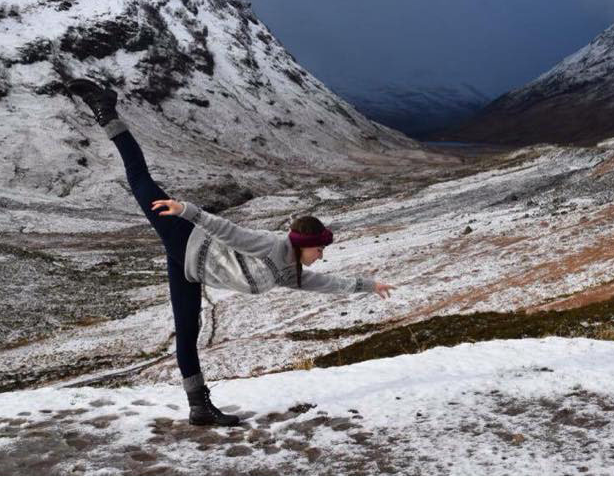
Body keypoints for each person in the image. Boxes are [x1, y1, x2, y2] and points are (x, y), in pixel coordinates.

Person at [66, 79, 395, 426]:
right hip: (186, 238)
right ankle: (106, 111)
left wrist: (368, 286)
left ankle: (198, 407)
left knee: (188, 333)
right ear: (303, 244)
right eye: (319, 249)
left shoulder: (288, 273)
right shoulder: (272, 247)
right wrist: (186, 211)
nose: (320, 256)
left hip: (190, 269)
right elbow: (230, 231)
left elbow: (325, 283)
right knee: (140, 180)